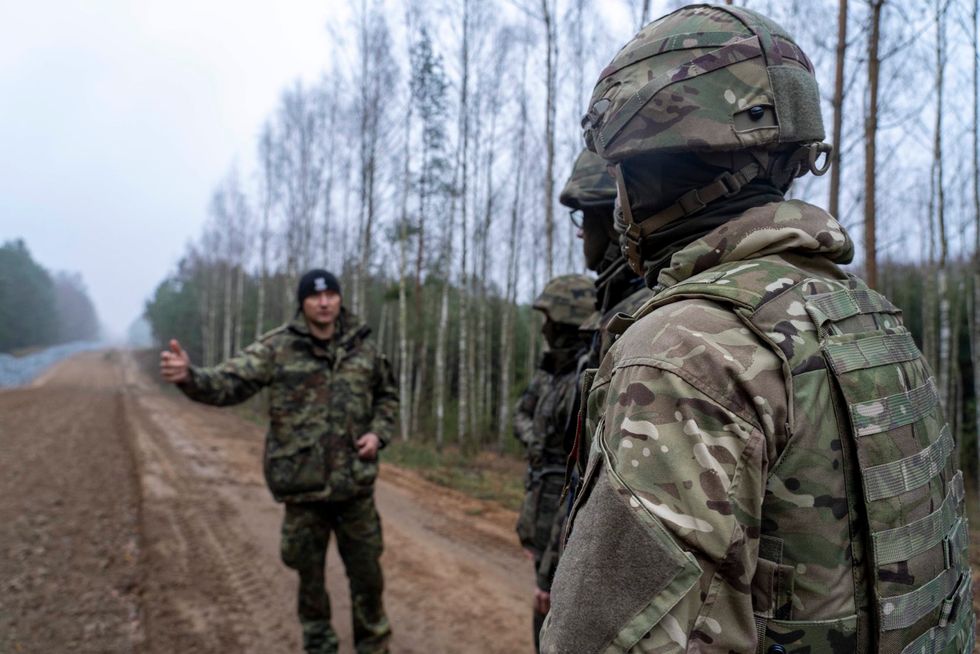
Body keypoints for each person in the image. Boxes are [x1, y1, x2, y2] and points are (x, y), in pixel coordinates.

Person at [541, 5, 973, 654]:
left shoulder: (685, 351)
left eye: (623, 176)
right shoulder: (865, 315)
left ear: (650, 167)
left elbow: (599, 639)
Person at [160, 269, 396, 654]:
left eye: (331, 295)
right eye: (315, 297)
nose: (324, 303)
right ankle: (319, 643)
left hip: (354, 488)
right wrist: (190, 377)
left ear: (339, 299)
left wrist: (377, 434)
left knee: (368, 576)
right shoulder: (279, 347)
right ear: (302, 303)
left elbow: (387, 396)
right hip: (303, 489)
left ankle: (374, 645)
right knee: (310, 579)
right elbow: (230, 382)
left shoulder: (363, 347)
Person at [513, 274, 595, 653]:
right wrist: (538, 444)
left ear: (565, 322)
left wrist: (548, 573)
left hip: (562, 536)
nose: (544, 328)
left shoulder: (582, 379)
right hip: (542, 517)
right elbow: (522, 414)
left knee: (554, 622)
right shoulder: (551, 373)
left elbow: (575, 488)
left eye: (549, 319)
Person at [561, 149, 652, 365]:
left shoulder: (638, 315)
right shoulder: (621, 304)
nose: (579, 232)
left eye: (585, 217)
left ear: (611, 218)